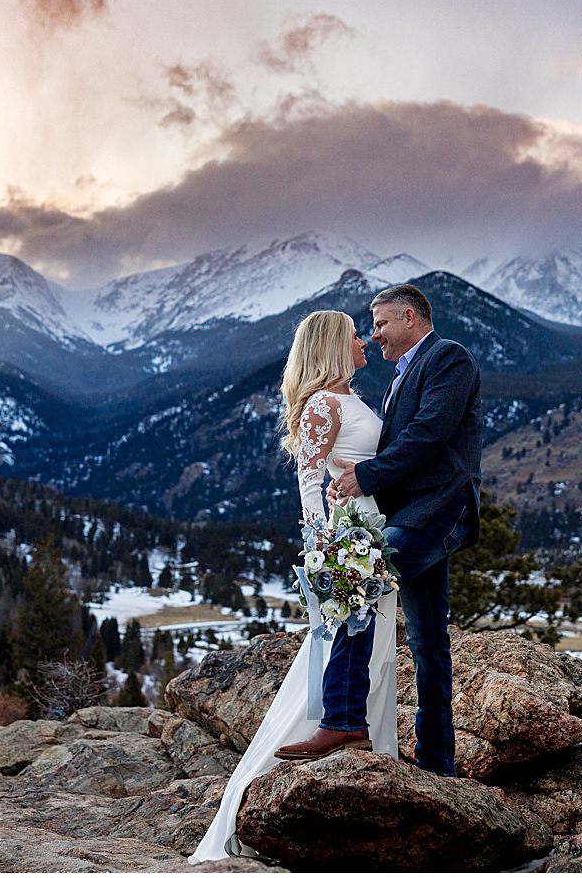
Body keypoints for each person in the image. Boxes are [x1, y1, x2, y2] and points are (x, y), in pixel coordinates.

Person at [189, 310, 398, 863]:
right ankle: (339, 725)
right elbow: (310, 477)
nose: (363, 341)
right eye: (354, 334)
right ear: (332, 345)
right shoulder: (322, 405)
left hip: (372, 530)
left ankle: (356, 729)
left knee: (370, 640)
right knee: (348, 633)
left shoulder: (349, 398)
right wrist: (325, 547)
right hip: (346, 535)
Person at [318, 283, 481, 777]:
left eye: (382, 324)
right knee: (430, 642)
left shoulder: (448, 358)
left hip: (439, 511)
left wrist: (364, 477)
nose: (375, 336)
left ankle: (343, 719)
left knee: (357, 583)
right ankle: (438, 766)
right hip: (411, 514)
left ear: (409, 317)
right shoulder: (401, 375)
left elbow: (428, 434)